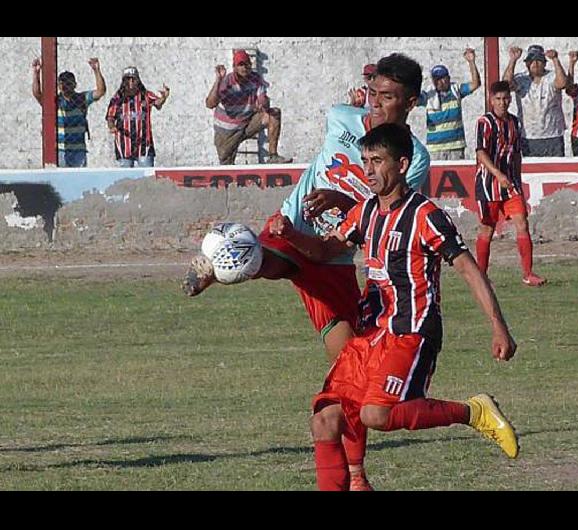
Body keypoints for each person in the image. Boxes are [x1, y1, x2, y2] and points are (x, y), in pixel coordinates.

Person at [184, 53, 431, 491]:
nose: (375, 104)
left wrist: (342, 203)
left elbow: (389, 215)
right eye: (372, 93)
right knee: (274, 257)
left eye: (387, 98)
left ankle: (356, 476)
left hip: (334, 260)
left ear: (410, 102)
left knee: (350, 373)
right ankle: (230, 259)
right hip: (292, 229)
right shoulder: (341, 119)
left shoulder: (415, 159)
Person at [284, 123, 518, 491]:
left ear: (403, 164)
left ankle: (473, 411)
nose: (369, 171)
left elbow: (467, 268)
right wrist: (290, 234)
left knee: (375, 414)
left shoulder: (425, 215)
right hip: (370, 336)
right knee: (325, 421)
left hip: (412, 332)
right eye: (365, 161)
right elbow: (326, 249)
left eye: (378, 161)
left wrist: (498, 325)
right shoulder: (364, 213)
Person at [474, 81, 546, 287]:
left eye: (506, 98)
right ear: (491, 100)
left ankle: (528, 273)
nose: (502, 102)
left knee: (522, 223)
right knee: (487, 228)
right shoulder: (484, 122)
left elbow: (516, 153)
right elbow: (480, 152)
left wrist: (517, 179)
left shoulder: (514, 121)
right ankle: (481, 276)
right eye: (498, 99)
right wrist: (497, 174)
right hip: (489, 183)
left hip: (511, 183)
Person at [206, 49, 292, 165]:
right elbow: (210, 104)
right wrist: (218, 81)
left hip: (246, 125)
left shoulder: (255, 79)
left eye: (246, 64)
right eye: (240, 65)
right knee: (226, 166)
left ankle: (273, 156)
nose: (244, 68)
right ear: (234, 67)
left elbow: (263, 99)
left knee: (274, 114)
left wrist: (263, 103)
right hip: (227, 132)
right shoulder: (226, 82)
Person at [31, 56, 107, 167]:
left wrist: (96, 70)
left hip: (78, 151)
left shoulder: (81, 99)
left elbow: (100, 91)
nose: (65, 86)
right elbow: (38, 94)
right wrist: (36, 74)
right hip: (61, 150)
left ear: (74, 84)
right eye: (62, 83)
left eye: (68, 83)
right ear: (58, 86)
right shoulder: (55, 102)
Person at [415, 48, 482, 160]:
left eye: (443, 78)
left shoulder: (456, 90)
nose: (440, 82)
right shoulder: (428, 94)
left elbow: (475, 84)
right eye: (437, 79)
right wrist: (416, 78)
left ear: (448, 78)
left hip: (456, 146)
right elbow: (415, 100)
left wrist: (471, 62)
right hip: (435, 149)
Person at [503, 44, 568, 157]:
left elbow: (562, 83)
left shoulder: (551, 76)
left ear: (544, 63)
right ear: (527, 63)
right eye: (532, 61)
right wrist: (513, 60)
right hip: (529, 136)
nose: (535, 64)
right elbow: (506, 84)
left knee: (555, 171)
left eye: (539, 60)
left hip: (553, 135)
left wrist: (555, 60)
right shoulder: (521, 79)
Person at [105, 66, 169, 167]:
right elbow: (110, 117)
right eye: (127, 79)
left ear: (138, 81)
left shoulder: (146, 95)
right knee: (126, 178)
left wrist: (164, 97)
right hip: (124, 145)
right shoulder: (117, 98)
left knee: (147, 176)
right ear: (123, 81)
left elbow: (158, 103)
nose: (130, 82)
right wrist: (112, 126)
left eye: (133, 79)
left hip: (144, 144)